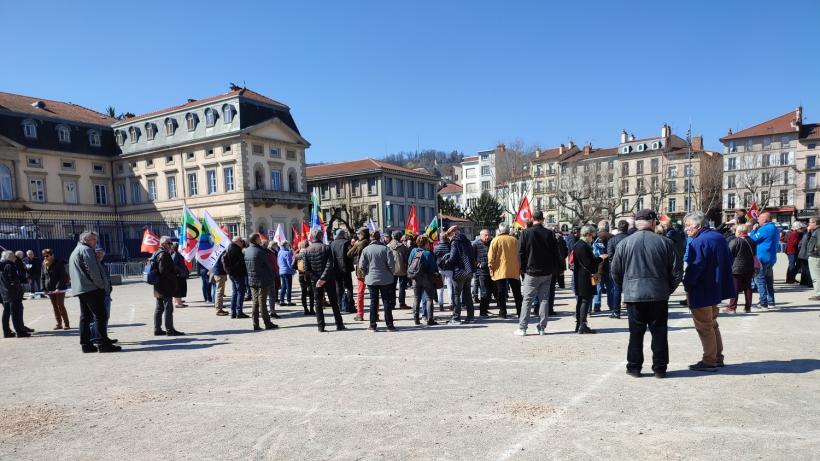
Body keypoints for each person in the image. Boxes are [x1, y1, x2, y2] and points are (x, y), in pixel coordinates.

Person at [611, 209, 682, 378]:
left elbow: (615, 272)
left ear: (637, 223)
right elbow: (677, 272)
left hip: (635, 295)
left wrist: (626, 287)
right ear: (652, 223)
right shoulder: (665, 242)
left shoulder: (624, 244)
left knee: (636, 333)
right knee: (659, 333)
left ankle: (634, 367)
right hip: (657, 294)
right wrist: (667, 289)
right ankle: (660, 368)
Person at [683, 211, 735, 372]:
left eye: (687, 226)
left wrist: (687, 284)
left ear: (697, 226)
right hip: (715, 287)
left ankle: (710, 360)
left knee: (705, 326)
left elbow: (695, 267)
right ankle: (717, 357)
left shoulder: (699, 241)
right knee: (712, 324)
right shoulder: (717, 237)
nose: (686, 230)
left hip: (702, 289)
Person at [68, 231, 121, 352]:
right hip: (91, 288)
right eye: (93, 240)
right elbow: (93, 270)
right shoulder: (86, 250)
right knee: (100, 316)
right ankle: (103, 344)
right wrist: (101, 285)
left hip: (82, 289)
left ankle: (86, 345)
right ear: (86, 240)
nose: (95, 242)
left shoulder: (76, 250)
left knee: (85, 317)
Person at [515, 211, 561, 336]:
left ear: (532, 218)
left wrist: (523, 269)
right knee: (544, 299)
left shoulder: (525, 233)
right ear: (542, 219)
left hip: (532, 271)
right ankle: (541, 327)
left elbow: (520, 253)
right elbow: (555, 253)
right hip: (546, 271)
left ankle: (523, 328)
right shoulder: (549, 233)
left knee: (527, 300)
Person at [303, 228, 346, 332]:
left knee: (318, 303)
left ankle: (320, 326)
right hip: (328, 279)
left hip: (316, 280)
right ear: (321, 237)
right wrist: (323, 278)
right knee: (333, 302)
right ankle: (339, 324)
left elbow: (306, 269)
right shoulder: (326, 248)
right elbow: (330, 264)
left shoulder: (307, 250)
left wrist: (318, 279)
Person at [359, 230, 397, 332]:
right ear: (379, 237)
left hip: (371, 279)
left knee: (373, 302)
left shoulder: (366, 250)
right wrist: (390, 273)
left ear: (371, 238)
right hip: (386, 279)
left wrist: (367, 273)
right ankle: (390, 325)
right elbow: (391, 265)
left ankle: (372, 325)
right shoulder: (386, 249)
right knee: (386, 302)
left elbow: (361, 266)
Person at [571, 225, 602, 334]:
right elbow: (589, 262)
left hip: (580, 275)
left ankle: (579, 324)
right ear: (588, 234)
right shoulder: (583, 246)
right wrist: (600, 259)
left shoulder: (577, 244)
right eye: (592, 236)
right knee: (585, 300)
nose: (593, 238)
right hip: (585, 277)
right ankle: (582, 324)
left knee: (581, 300)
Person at [151, 236, 184, 337]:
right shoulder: (164, 254)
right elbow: (163, 270)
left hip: (158, 286)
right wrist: (174, 276)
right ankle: (170, 330)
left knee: (159, 308)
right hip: (165, 286)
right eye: (169, 243)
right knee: (168, 308)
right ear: (164, 244)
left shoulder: (156, 252)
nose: (171, 245)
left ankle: (157, 329)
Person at [244, 234, 278, 331]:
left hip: (252, 278)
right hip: (262, 279)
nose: (260, 239)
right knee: (262, 302)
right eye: (259, 238)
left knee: (255, 302)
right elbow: (269, 265)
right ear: (255, 240)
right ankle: (267, 323)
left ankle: (255, 323)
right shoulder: (260, 251)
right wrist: (272, 274)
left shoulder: (247, 250)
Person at [488, 223, 522, 319]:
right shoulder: (515, 240)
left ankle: (503, 312)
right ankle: (520, 312)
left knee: (501, 293)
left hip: (500, 270)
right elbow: (519, 255)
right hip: (514, 269)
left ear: (499, 230)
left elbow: (491, 257)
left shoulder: (495, 240)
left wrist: (491, 268)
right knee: (517, 293)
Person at [445, 226, 476, 324]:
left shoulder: (455, 242)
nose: (449, 238)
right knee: (467, 295)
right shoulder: (467, 241)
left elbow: (453, 258)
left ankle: (456, 318)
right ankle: (470, 317)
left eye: (449, 236)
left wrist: (446, 261)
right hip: (469, 271)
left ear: (453, 233)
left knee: (456, 295)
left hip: (459, 271)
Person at [748, 212, 779, 309]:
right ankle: (771, 302)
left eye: (760, 219)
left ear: (765, 220)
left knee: (760, 280)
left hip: (762, 257)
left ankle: (763, 303)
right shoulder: (775, 228)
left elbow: (752, 239)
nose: (757, 220)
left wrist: (753, 230)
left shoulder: (765, 229)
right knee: (769, 280)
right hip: (771, 257)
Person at [407, 235, 439, 326]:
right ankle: (430, 319)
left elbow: (410, 263)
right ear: (425, 244)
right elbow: (433, 267)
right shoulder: (428, 253)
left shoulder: (413, 251)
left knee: (417, 298)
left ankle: (416, 319)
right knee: (429, 299)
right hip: (427, 278)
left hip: (416, 278)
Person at [726, 224, 757, 313]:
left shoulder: (735, 241)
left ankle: (732, 307)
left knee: (734, 288)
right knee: (748, 288)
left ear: (739, 232)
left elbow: (729, 254)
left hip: (736, 268)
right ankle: (748, 307)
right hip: (749, 267)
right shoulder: (752, 241)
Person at [1, 250, 29, 338]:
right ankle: (19, 331)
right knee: (15, 313)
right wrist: (19, 291)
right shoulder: (9, 266)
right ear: (9, 257)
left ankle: (9, 332)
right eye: (13, 256)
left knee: (10, 312)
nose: (15, 258)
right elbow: (13, 281)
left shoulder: (4, 266)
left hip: (5, 293)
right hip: (12, 294)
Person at [89, 247, 115, 345]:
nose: (100, 255)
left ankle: (104, 336)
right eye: (98, 253)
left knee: (106, 316)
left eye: (102, 253)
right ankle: (95, 337)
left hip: (106, 294)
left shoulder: (102, 264)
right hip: (98, 294)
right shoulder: (93, 265)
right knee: (95, 317)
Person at [40, 248, 70, 330]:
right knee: (54, 306)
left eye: (47, 255)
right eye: (44, 256)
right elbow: (42, 277)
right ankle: (59, 324)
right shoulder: (44, 264)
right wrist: (44, 288)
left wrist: (58, 288)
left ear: (52, 255)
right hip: (49, 288)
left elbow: (62, 277)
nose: (45, 257)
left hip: (59, 288)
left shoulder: (58, 263)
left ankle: (66, 323)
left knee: (60, 305)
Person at [606, 220, 630, 319]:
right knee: (629, 290)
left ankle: (616, 311)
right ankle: (630, 311)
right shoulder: (631, 239)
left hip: (616, 267)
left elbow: (610, 255)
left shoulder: (612, 240)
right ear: (627, 228)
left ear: (618, 228)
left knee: (616, 289)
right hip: (629, 267)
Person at [223, 236, 250, 319]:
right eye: (241, 241)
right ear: (237, 242)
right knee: (240, 293)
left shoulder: (229, 248)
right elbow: (239, 263)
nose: (242, 243)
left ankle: (233, 312)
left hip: (233, 274)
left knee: (235, 293)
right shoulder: (236, 250)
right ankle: (239, 312)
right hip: (238, 274)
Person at [347, 227, 370, 321]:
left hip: (361, 271)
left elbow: (349, 254)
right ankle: (375, 314)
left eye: (359, 234)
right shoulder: (370, 242)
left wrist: (354, 245)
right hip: (371, 270)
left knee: (360, 293)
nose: (357, 236)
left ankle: (360, 314)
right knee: (374, 294)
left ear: (363, 234)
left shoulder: (359, 244)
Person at [330, 229, 354, 313]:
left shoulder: (332, 243)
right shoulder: (346, 243)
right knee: (349, 287)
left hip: (335, 269)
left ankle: (339, 305)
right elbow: (351, 254)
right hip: (345, 269)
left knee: (338, 287)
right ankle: (350, 306)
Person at [472, 229, 493, 317]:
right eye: (485, 235)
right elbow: (472, 258)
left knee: (489, 292)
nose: (487, 237)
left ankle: (486, 308)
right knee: (484, 292)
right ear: (480, 236)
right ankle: (482, 311)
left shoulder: (492, 243)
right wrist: (478, 265)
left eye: (488, 235)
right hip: (481, 272)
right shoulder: (476, 244)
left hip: (492, 271)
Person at [387, 231, 410, 309]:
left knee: (392, 287)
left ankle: (392, 304)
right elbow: (407, 258)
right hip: (402, 269)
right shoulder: (403, 247)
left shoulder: (388, 246)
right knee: (402, 287)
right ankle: (402, 303)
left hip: (391, 270)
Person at [293, 240, 316, 315]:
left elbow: (292, 266)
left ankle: (305, 309)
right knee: (311, 292)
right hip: (309, 274)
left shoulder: (297, 255)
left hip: (301, 275)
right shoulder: (309, 253)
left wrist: (299, 268)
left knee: (303, 292)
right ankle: (312, 309)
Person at [434, 234, 454, 311]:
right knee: (450, 287)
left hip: (440, 269)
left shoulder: (436, 247)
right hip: (449, 268)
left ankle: (441, 305)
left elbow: (434, 258)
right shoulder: (450, 247)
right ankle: (451, 304)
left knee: (440, 287)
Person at [170, 243, 189, 308]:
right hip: (179, 275)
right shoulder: (175, 254)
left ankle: (178, 301)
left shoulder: (176, 254)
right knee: (179, 289)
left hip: (180, 274)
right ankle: (178, 303)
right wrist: (178, 271)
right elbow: (173, 265)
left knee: (180, 288)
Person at [277, 240, 295, 307]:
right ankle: (289, 301)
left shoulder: (279, 252)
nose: (289, 246)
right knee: (289, 287)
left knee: (283, 286)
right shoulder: (287, 253)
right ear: (286, 245)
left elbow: (278, 262)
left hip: (281, 271)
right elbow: (290, 264)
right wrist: (293, 271)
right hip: (287, 271)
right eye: (288, 245)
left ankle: (281, 300)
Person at [807, 217, 820, 300]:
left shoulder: (817, 232)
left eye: (810, 222)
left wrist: (815, 250)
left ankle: (818, 293)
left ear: (815, 223)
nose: (809, 224)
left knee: (816, 276)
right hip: (815, 255)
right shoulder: (815, 231)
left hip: (815, 256)